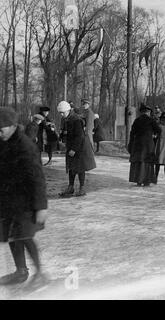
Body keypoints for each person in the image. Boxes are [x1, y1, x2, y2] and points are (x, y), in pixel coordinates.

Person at [0, 107, 49, 286]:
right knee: (13, 235)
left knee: (25, 236)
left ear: (13, 126)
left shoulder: (25, 146)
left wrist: (41, 206)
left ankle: (40, 274)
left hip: (27, 202)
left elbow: (37, 178)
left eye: (1, 129)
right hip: (9, 200)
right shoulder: (4, 142)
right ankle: (20, 271)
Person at [57, 101, 97, 197]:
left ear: (68, 110)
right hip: (72, 145)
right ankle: (70, 187)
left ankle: (82, 188)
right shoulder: (68, 119)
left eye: (63, 112)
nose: (62, 115)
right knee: (71, 167)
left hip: (80, 147)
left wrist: (74, 149)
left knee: (80, 168)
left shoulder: (76, 119)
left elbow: (79, 136)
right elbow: (68, 132)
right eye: (60, 113)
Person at [128, 104, 162, 187]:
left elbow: (132, 133)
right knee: (147, 162)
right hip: (148, 144)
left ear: (141, 112)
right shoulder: (151, 120)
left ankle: (138, 180)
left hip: (138, 144)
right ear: (148, 112)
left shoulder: (137, 120)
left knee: (139, 161)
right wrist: (154, 137)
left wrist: (131, 143)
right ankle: (147, 180)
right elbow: (159, 130)